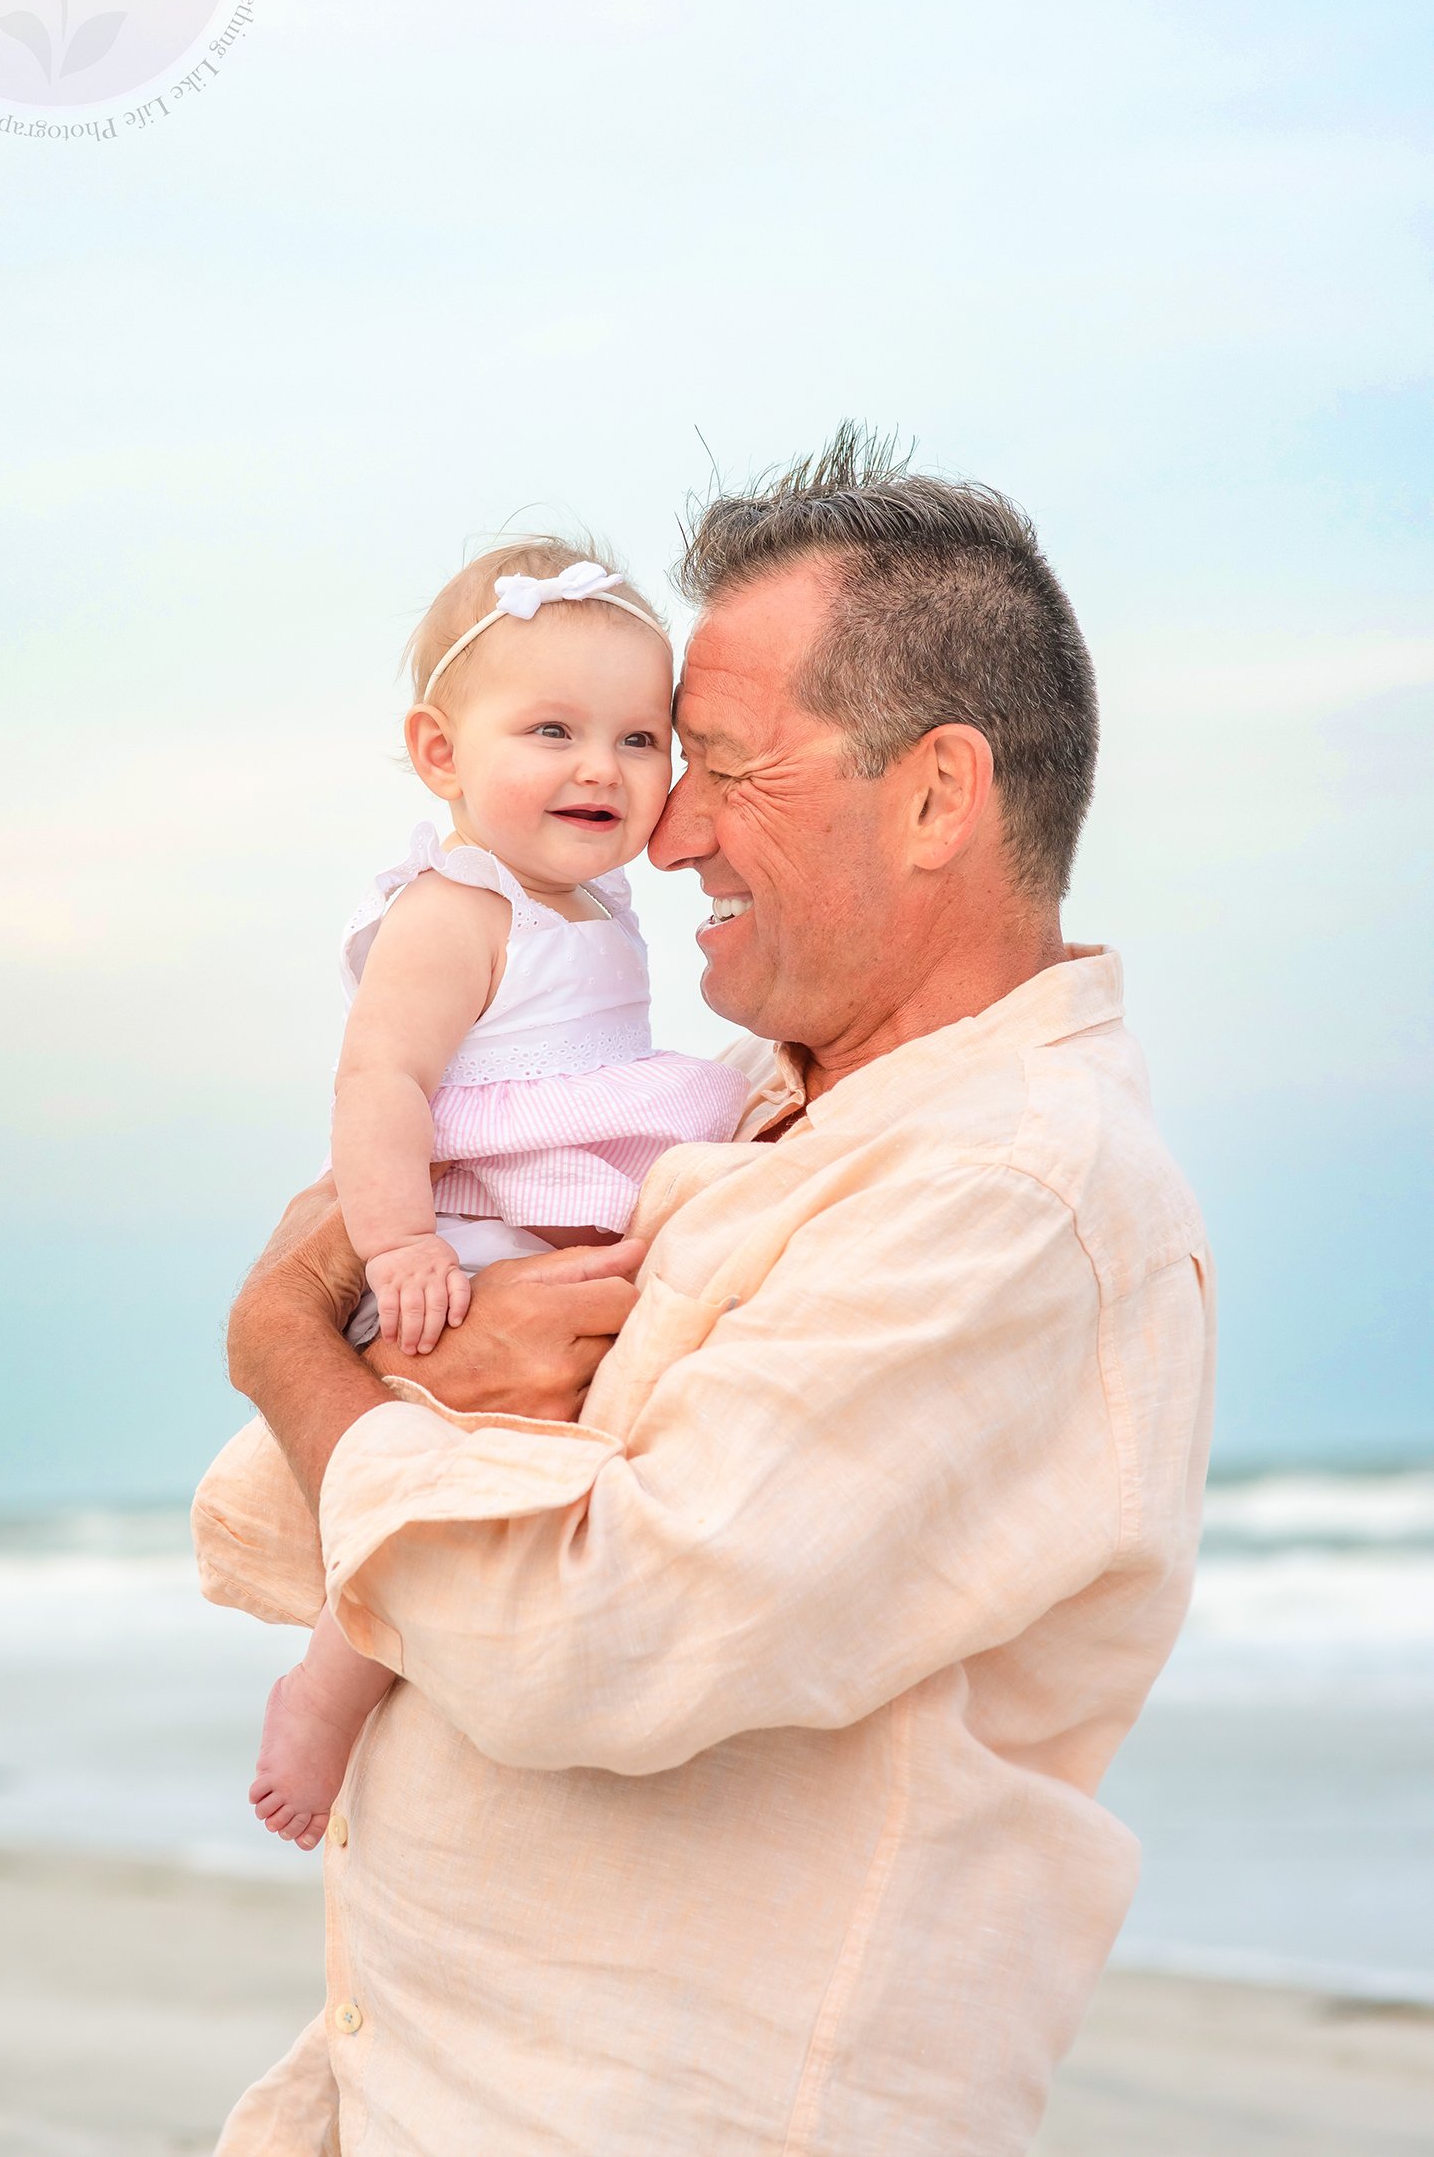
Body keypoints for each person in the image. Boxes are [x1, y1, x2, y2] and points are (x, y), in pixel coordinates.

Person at [193, 424, 1214, 2157]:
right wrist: (407, 1373)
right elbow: (322, 1529)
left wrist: (291, 1343)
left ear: (938, 794)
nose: (662, 834)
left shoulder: (1001, 1188)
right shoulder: (767, 1111)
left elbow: (592, 1643)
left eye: (714, 761)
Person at [248, 539, 745, 1849]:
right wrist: (399, 1241)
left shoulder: (600, 906)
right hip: (467, 1238)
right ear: (440, 754)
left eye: (642, 738)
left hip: (556, 1216)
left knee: (548, 1490)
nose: (604, 767)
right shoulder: (458, 906)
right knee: (455, 1487)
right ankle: (326, 1686)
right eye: (552, 730)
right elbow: (380, 1082)